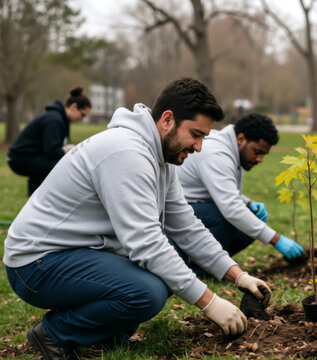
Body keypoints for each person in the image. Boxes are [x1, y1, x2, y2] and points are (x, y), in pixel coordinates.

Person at [3, 78, 270, 360]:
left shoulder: (160, 156)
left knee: (167, 268)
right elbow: (146, 243)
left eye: (203, 136)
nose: (199, 147)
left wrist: (236, 274)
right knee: (148, 290)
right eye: (195, 134)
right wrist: (210, 302)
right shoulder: (127, 153)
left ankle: (105, 333)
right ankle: (55, 333)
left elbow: (187, 225)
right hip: (35, 262)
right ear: (167, 120)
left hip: (74, 252)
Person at [176, 113, 304, 269]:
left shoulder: (234, 151)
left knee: (251, 219)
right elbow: (231, 208)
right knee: (226, 218)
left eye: (264, 154)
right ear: (241, 139)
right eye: (257, 152)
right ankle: (198, 267)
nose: (260, 159)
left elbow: (226, 191)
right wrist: (277, 240)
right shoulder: (217, 154)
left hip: (198, 206)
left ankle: (215, 261)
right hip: (174, 211)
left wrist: (248, 203)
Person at [7, 87, 91, 195]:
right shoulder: (54, 120)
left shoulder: (58, 118)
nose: (82, 119)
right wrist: (67, 151)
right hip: (18, 159)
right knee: (63, 164)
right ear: (74, 106)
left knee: (55, 162)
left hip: (26, 157)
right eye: (83, 114)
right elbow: (52, 152)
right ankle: (52, 195)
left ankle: (34, 193)